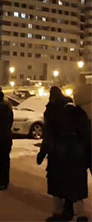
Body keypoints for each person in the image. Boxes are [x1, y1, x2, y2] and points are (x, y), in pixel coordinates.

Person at [37, 86, 91, 221]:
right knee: (76, 184)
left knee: (58, 184)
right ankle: (80, 214)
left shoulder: (52, 111)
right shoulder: (79, 113)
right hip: (77, 155)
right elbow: (87, 136)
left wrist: (42, 152)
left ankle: (60, 211)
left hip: (58, 154)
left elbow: (48, 135)